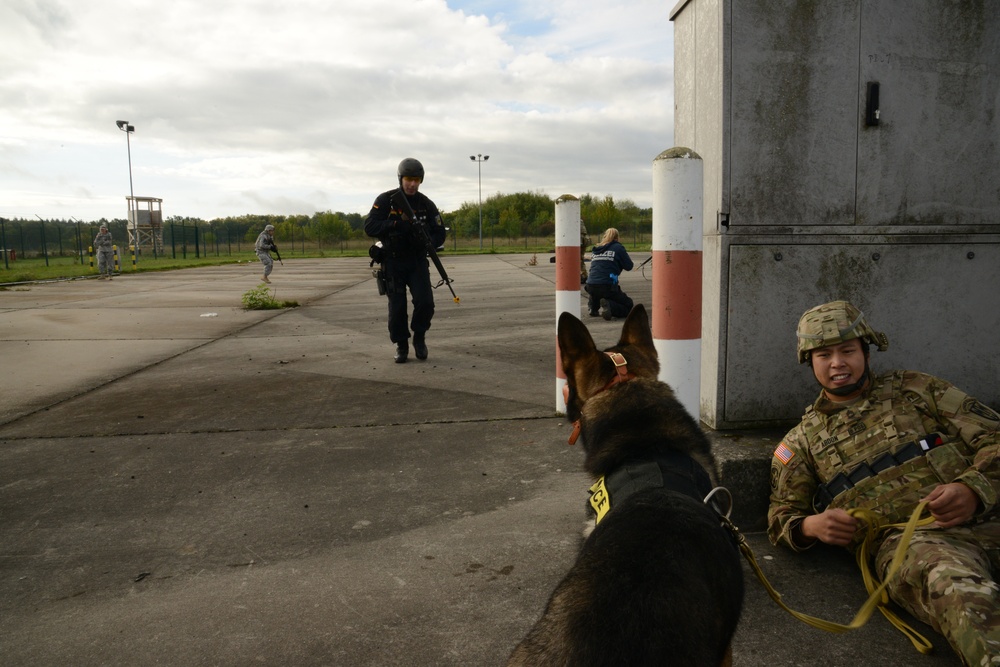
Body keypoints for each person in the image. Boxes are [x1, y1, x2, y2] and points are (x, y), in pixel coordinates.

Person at [768, 300, 1000, 664]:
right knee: (960, 594)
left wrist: (973, 488)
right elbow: (781, 516)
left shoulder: (918, 389)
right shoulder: (799, 443)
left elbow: (994, 437)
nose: (837, 363)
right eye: (824, 355)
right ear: (809, 362)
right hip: (917, 547)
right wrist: (811, 526)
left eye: (847, 350)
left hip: (989, 513)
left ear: (866, 351)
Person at [364, 158, 446, 363]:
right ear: (401, 179)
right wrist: (396, 225)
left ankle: (419, 336)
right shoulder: (386, 200)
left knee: (425, 303)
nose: (412, 184)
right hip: (393, 261)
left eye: (416, 180)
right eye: (408, 179)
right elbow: (370, 226)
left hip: (417, 261)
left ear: (421, 181)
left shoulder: (426, 204)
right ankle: (401, 345)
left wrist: (427, 242)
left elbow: (439, 233)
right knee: (397, 307)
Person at [585, 228, 634, 320]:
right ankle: (610, 306)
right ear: (617, 237)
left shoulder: (597, 249)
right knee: (628, 304)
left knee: (596, 289)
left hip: (590, 285)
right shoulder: (618, 248)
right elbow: (629, 266)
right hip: (607, 286)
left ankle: (593, 308)